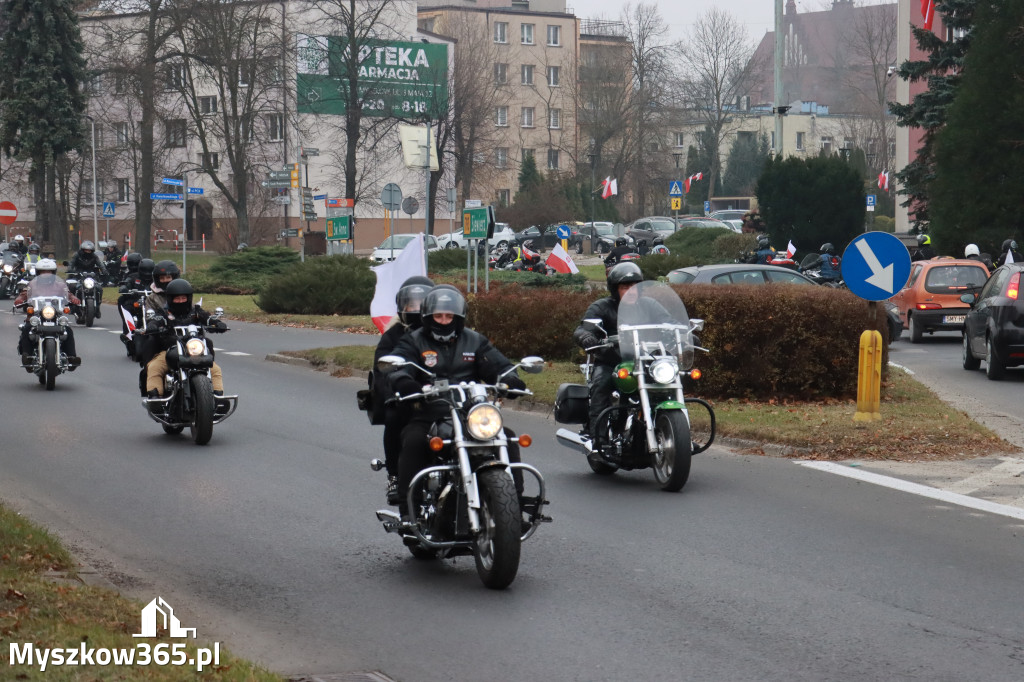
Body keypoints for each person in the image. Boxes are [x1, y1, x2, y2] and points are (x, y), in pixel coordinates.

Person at [387, 285, 528, 518]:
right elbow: (398, 365)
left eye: (449, 316)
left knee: (507, 438)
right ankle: (409, 512)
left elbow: (499, 367)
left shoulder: (474, 341)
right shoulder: (413, 341)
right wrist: (404, 381)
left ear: (459, 317)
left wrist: (510, 381)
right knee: (412, 441)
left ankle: (515, 509)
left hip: (469, 413)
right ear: (428, 316)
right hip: (429, 411)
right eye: (439, 316)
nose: (444, 321)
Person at [369, 275, 434, 504]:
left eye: (422, 303)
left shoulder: (445, 332)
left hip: (439, 396)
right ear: (402, 305)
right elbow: (384, 367)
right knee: (395, 418)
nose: (416, 308)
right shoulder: (394, 334)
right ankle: (395, 476)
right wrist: (398, 389)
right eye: (412, 303)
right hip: (405, 396)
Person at [572, 262, 645, 443]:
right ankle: (599, 438)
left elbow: (668, 323)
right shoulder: (602, 307)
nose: (630, 290)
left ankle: (677, 431)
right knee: (601, 385)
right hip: (612, 361)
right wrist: (587, 337)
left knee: (667, 383)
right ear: (615, 289)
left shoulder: (649, 306)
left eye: (634, 286)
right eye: (625, 287)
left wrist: (685, 336)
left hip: (644, 361)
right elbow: (583, 328)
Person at [140, 278, 227, 400]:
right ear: (170, 299)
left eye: (183, 298)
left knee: (215, 369)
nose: (180, 301)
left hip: (195, 350)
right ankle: (156, 398)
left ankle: (218, 398)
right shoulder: (164, 313)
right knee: (155, 367)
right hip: (170, 350)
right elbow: (156, 320)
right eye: (177, 298)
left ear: (189, 298)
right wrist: (153, 325)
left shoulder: (195, 312)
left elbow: (207, 318)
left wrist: (217, 323)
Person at [13, 259, 81, 367]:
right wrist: (20, 299)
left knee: (67, 330)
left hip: (55, 315)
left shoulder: (60, 285)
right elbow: (24, 293)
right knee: (27, 329)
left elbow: (68, 294)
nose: (46, 274)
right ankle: (27, 355)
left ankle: (71, 357)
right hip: (36, 315)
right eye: (43, 272)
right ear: (38, 272)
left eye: (48, 272)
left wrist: (73, 298)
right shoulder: (32, 284)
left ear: (53, 273)